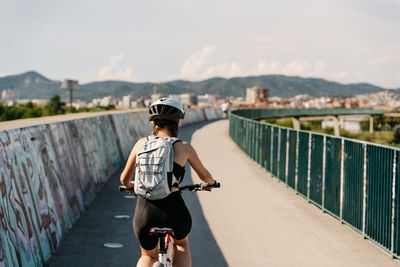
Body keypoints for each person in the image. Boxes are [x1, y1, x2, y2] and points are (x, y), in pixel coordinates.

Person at [120, 98, 218, 267]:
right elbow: (205, 176)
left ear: (153, 122)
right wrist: (211, 183)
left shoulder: (140, 144)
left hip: (145, 212)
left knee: (147, 255)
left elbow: (124, 179)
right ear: (178, 122)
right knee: (181, 244)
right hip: (174, 210)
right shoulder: (184, 147)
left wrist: (130, 187)